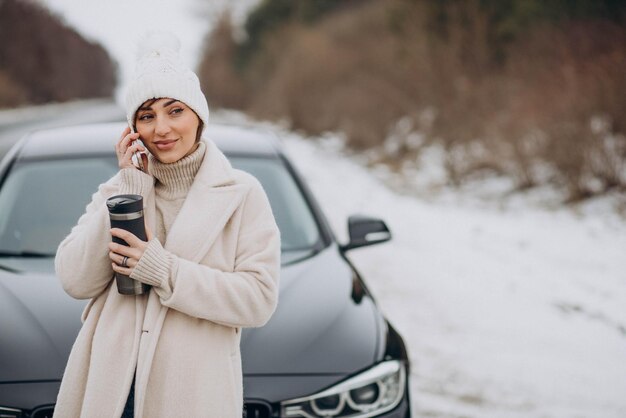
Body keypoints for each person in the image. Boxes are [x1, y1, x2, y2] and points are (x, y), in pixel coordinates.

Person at [53, 31, 281, 418]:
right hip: (110, 394)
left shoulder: (242, 193)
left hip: (191, 397)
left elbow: (258, 300)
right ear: (132, 129)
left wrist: (164, 270)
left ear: (198, 116)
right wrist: (131, 188)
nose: (161, 129)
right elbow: (75, 280)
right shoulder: (119, 188)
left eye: (175, 110)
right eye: (147, 116)